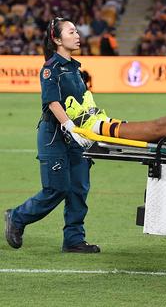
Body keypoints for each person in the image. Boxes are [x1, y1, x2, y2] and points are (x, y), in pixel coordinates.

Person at [5, 18, 101, 253]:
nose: (77, 35)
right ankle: (17, 218)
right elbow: (52, 102)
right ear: (57, 39)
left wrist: (94, 126)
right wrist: (69, 127)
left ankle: (74, 240)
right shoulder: (51, 69)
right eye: (71, 31)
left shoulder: (75, 68)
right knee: (57, 189)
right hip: (54, 136)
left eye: (77, 30)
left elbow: (83, 103)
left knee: (79, 188)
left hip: (77, 136)